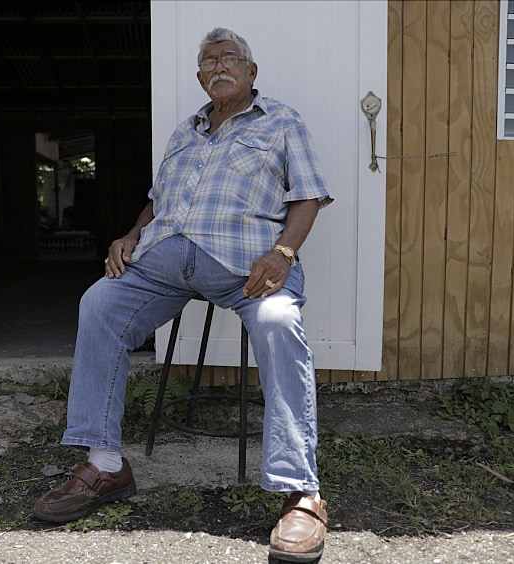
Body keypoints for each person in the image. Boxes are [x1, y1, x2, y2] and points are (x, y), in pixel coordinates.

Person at [34, 27, 333, 562]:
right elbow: (157, 202)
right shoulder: (184, 133)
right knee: (99, 303)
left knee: (277, 321)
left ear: (251, 72)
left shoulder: (281, 122)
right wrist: (131, 235)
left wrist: (283, 253)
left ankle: (301, 492)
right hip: (165, 261)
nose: (219, 66)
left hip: (247, 266)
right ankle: (105, 465)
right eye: (209, 61)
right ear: (200, 78)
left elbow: (308, 196)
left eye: (229, 58)